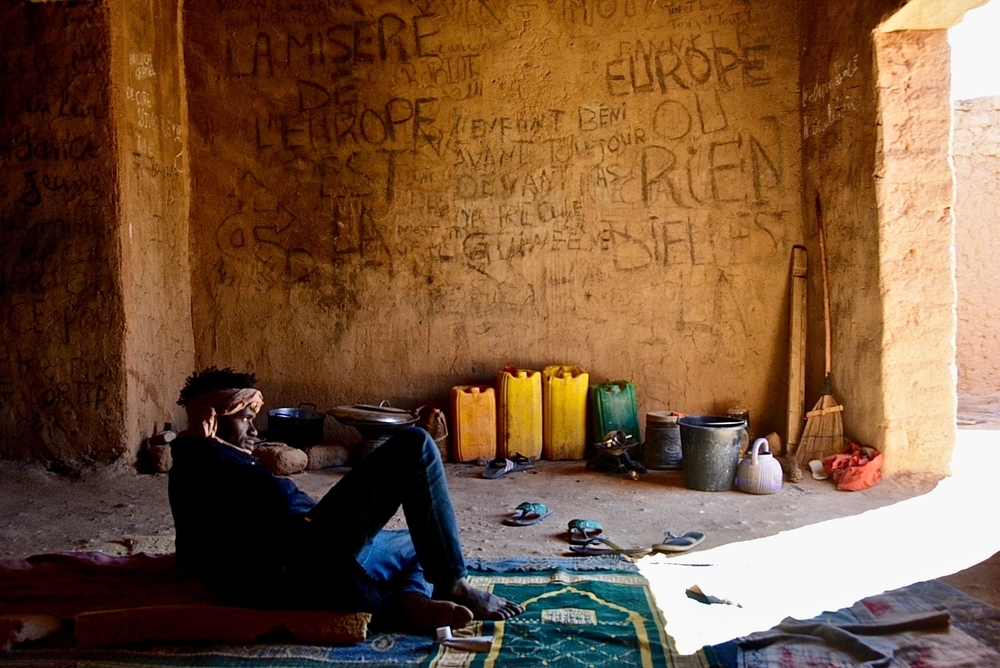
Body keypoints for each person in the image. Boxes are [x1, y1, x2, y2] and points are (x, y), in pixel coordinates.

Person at [167, 366, 523, 631]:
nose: (253, 429)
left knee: (425, 542)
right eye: (245, 418)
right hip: (308, 561)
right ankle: (449, 587)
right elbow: (240, 545)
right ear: (211, 419)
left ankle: (413, 596)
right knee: (415, 445)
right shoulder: (206, 465)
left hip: (312, 548)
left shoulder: (205, 461)